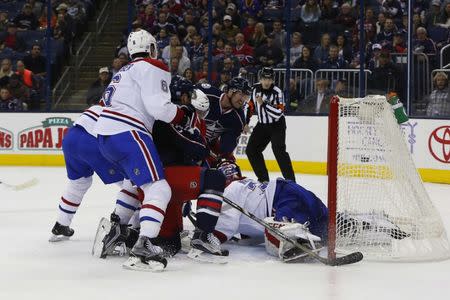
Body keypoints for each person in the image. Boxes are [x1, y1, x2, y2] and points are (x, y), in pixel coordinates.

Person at [93, 29, 196, 272]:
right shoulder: (152, 65)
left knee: (134, 181)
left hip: (105, 137)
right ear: (151, 49)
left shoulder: (123, 72)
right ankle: (145, 244)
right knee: (158, 187)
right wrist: (182, 114)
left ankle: (117, 228)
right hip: (128, 132)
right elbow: (159, 108)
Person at [212, 161, 409, 262]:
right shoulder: (247, 185)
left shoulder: (230, 190)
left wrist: (209, 237)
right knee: (329, 228)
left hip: (285, 202)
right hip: (291, 193)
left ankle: (304, 241)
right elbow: (249, 227)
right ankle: (374, 222)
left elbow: (226, 224)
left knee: (288, 240)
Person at [48, 104, 139, 243]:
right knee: (131, 182)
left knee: (78, 183)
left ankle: (61, 224)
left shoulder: (101, 104)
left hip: (70, 139)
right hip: (93, 143)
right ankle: (134, 226)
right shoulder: (125, 109)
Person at [246, 67, 296, 183]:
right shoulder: (254, 89)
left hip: (277, 126)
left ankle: (291, 181)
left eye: (269, 79)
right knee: (251, 150)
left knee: (279, 150)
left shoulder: (277, 92)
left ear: (273, 80)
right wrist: (245, 122)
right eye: (264, 79)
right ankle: (263, 179)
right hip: (262, 125)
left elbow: (278, 113)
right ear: (260, 79)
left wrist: (263, 104)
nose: (267, 82)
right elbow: (249, 106)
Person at [196, 77, 252, 166]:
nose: (243, 100)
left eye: (246, 97)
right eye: (241, 94)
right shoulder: (208, 94)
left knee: (228, 163)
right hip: (188, 140)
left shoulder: (238, 120)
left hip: (209, 146)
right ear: (230, 91)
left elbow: (226, 148)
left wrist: (223, 157)